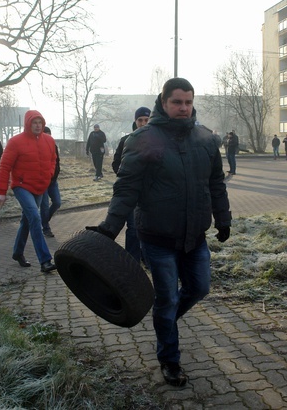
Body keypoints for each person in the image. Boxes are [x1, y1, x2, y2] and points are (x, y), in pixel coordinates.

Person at [89, 78, 231, 387]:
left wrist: (224, 219)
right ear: (163, 103)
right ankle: (170, 358)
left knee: (200, 288)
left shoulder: (206, 139)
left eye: (188, 102)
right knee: (166, 300)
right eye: (177, 102)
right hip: (157, 237)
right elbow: (126, 189)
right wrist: (110, 227)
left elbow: (216, 184)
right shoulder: (143, 139)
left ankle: (164, 324)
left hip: (195, 237)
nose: (183, 108)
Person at [0, 110, 57, 273]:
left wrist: (50, 174)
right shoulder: (15, 142)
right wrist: (2, 191)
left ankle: (18, 252)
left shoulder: (49, 141)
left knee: (27, 220)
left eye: (40, 123)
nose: (37, 126)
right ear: (28, 124)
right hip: (22, 186)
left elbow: (53, 160)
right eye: (34, 123)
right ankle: (45, 260)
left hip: (40, 186)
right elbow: (4, 166)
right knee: (35, 217)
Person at [111, 106, 150, 263]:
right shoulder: (126, 141)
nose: (143, 123)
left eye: (146, 120)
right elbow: (116, 164)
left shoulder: (159, 140)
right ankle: (132, 262)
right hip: (132, 192)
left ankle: (148, 259)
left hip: (151, 192)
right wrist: (128, 178)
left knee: (150, 228)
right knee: (133, 228)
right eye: (140, 120)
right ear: (135, 121)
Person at [40, 127, 61, 238]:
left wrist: (55, 174)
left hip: (52, 180)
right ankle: (46, 227)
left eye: (50, 135)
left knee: (57, 202)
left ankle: (43, 220)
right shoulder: (38, 147)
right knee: (44, 205)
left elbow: (56, 163)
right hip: (43, 181)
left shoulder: (54, 146)